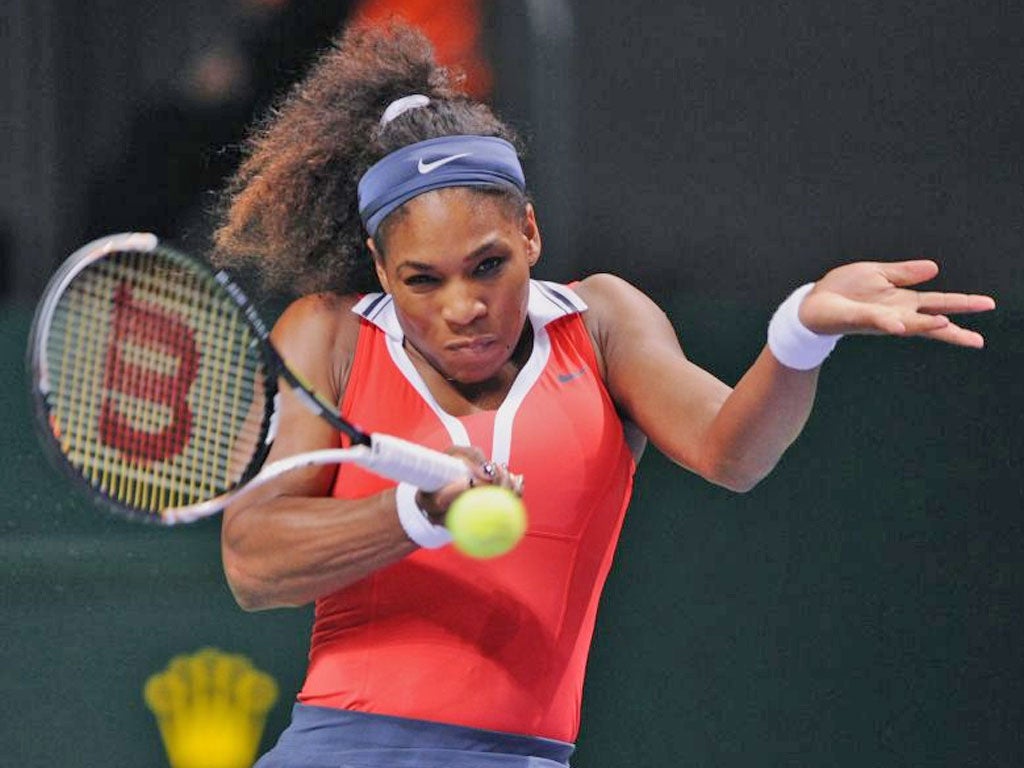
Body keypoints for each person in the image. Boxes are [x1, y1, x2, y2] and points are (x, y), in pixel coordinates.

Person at [210, 22, 995, 768]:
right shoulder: (329, 337)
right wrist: (414, 511)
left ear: (530, 234)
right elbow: (253, 560)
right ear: (383, 272)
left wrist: (799, 334)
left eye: (488, 265)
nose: (462, 306)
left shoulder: (602, 323)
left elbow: (735, 454)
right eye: (422, 279)